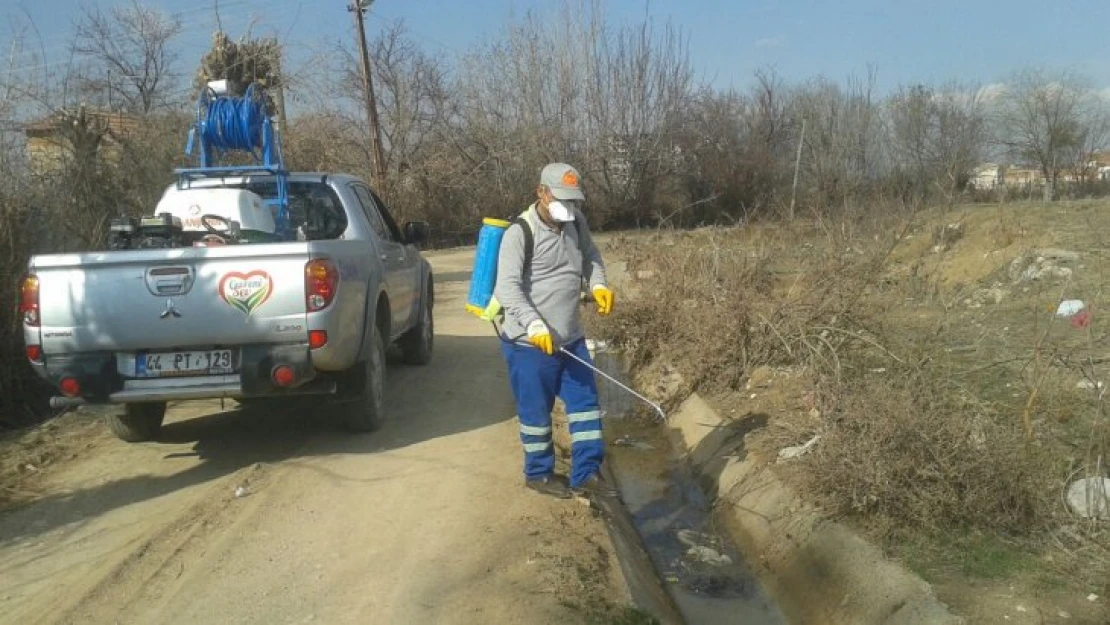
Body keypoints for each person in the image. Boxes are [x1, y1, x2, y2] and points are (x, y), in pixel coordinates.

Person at [493, 162, 617, 500]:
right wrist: (534, 324)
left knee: (586, 405)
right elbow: (507, 287)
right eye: (561, 198)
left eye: (572, 199)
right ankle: (538, 473)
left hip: (570, 338)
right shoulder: (520, 232)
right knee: (536, 412)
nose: (568, 206)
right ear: (541, 193)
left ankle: (587, 473)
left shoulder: (576, 222)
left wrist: (599, 285)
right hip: (528, 344)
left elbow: (591, 256)